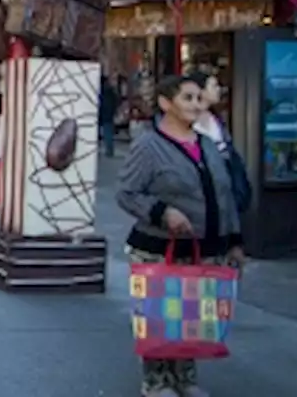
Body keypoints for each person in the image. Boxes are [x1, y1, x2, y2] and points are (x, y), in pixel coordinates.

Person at [116, 75, 244, 397]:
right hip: (158, 248)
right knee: (160, 316)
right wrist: (162, 212)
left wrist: (234, 241)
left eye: (199, 99)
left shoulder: (206, 145)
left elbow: (223, 194)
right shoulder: (149, 145)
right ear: (165, 103)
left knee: (192, 316)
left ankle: (185, 379)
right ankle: (157, 382)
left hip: (203, 247)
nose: (195, 105)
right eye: (187, 98)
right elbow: (127, 192)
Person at [188, 71, 252, 215]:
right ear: (201, 91)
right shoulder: (189, 119)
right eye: (214, 85)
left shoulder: (215, 117)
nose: (219, 89)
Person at [99, 74, 119, 159]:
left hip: (102, 112)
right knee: (108, 132)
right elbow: (116, 101)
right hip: (108, 113)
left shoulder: (100, 90)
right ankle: (109, 150)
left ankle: (107, 150)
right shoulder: (110, 91)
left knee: (104, 132)